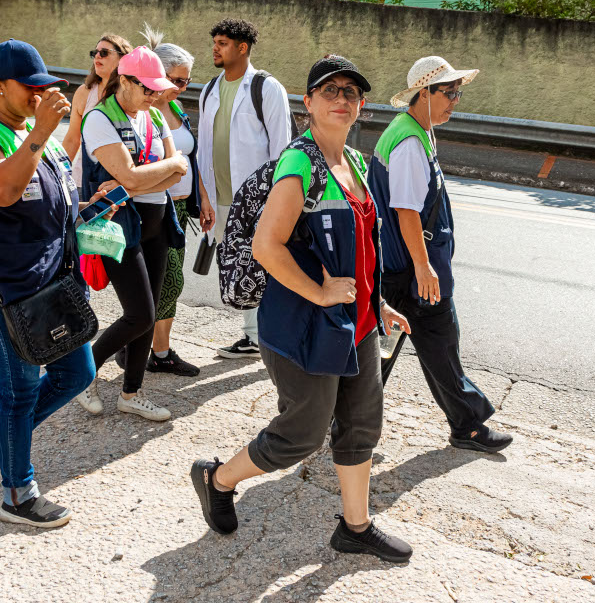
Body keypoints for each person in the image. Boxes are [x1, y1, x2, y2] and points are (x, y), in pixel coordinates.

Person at [191, 55, 415, 563]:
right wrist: (319, 293)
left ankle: (355, 527)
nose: (342, 99)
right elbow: (266, 246)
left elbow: (359, 253)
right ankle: (217, 479)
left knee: (361, 426)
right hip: (303, 326)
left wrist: (378, 303)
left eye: (351, 92)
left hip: (355, 325)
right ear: (308, 103)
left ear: (361, 106)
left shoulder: (355, 164)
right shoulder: (300, 163)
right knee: (302, 433)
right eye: (330, 91)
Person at [0, 40, 116, 527]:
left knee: (77, 374)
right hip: (0, 290)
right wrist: (43, 131)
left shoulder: (29, 131)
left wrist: (91, 207)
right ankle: (18, 496)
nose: (40, 95)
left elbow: (49, 204)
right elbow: (2, 191)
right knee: (19, 389)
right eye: (30, 87)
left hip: (48, 283)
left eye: (45, 87)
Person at [369, 57, 512, 454]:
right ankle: (466, 426)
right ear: (423, 93)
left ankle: (343, 421)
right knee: (437, 343)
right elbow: (406, 211)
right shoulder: (410, 143)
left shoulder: (416, 130)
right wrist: (423, 267)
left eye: (457, 93)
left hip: (402, 265)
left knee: (392, 349)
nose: (455, 101)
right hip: (410, 269)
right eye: (448, 93)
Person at [74, 46, 187, 421]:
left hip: (157, 221)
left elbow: (177, 173)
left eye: (157, 88)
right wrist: (149, 174)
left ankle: (131, 393)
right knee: (139, 314)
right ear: (124, 80)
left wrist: (135, 181)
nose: (154, 95)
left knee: (148, 316)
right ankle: (81, 375)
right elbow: (141, 173)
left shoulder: (152, 115)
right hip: (118, 226)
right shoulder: (99, 119)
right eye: (147, 88)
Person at [196, 18, 292, 359]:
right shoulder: (209, 89)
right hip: (220, 198)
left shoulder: (266, 87)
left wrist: (277, 202)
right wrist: (204, 197)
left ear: (242, 47)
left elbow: (282, 150)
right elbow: (203, 148)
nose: (215, 48)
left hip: (258, 200)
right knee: (240, 266)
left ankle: (270, 337)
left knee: (266, 264)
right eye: (214, 42)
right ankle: (254, 337)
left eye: (222, 43)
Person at [141, 24, 206, 377]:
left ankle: (155, 349)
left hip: (181, 207)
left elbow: (192, 158)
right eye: (176, 80)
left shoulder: (177, 109)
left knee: (169, 280)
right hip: (156, 208)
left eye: (186, 81)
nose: (181, 87)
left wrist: (203, 199)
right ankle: (147, 348)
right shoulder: (144, 109)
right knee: (167, 282)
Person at [66, 34, 132, 188]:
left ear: (122, 58)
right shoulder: (84, 92)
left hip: (122, 182)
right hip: (84, 181)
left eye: (104, 53)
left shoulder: (131, 93)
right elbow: (72, 140)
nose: (97, 56)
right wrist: (57, 173)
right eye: (94, 53)